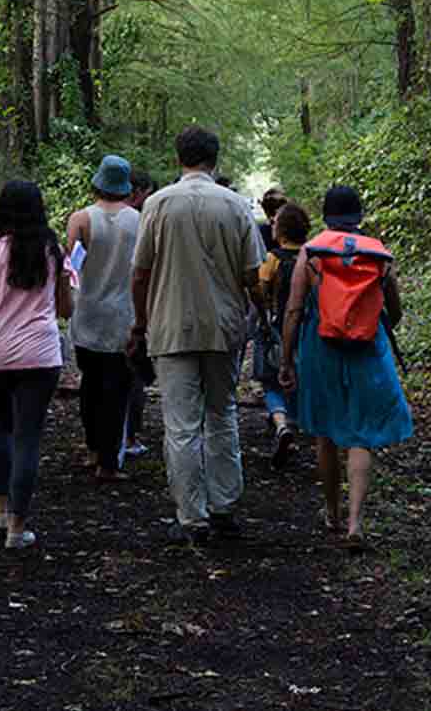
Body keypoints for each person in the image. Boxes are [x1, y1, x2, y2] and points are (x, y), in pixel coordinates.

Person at [128, 126, 263, 543]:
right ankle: (224, 505)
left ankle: (191, 516)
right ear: (215, 160)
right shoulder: (235, 206)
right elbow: (251, 275)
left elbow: (140, 273)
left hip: (171, 323)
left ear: (178, 158)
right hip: (224, 325)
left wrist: (140, 321)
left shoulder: (157, 205)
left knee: (181, 422)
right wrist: (259, 311)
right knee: (222, 414)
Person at [278, 185, 413, 551]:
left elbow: (292, 310)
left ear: (325, 214)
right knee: (361, 434)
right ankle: (356, 522)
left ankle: (332, 512)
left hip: (320, 348)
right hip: (368, 347)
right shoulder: (376, 253)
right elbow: (394, 309)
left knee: (325, 432)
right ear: (359, 216)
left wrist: (287, 358)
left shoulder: (311, 253)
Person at [0, 179, 73, 549]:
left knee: (0, 430)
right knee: (27, 437)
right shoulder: (52, 250)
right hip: (40, 355)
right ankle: (17, 528)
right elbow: (66, 308)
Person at [64, 155, 140, 482]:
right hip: (124, 316)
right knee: (117, 390)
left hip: (87, 313)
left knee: (91, 385)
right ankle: (108, 462)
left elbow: (70, 266)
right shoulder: (139, 220)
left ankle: (93, 448)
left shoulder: (80, 219)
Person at [251, 200, 311, 468]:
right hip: (307, 327)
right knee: (298, 376)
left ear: (282, 230)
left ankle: (281, 423)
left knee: (271, 379)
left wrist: (262, 316)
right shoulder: (312, 257)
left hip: (277, 326)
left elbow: (260, 289)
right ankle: (296, 423)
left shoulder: (273, 258)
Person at [122, 171, 157, 458]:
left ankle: (99, 445)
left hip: (97, 312)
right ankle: (129, 437)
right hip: (132, 309)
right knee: (133, 376)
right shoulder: (143, 222)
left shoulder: (85, 219)